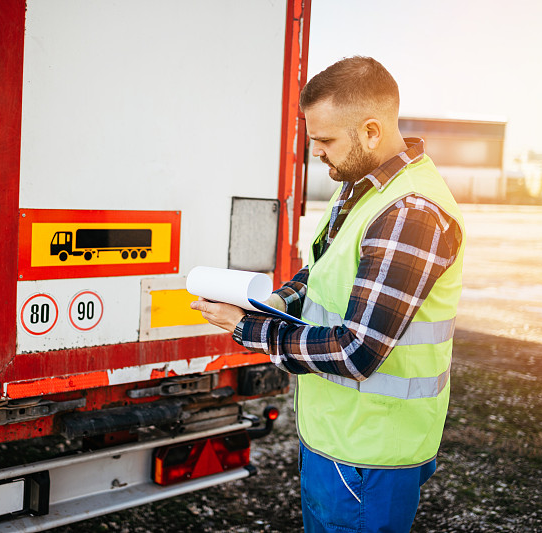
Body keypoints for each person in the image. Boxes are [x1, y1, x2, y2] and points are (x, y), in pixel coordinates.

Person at [191, 56, 465, 532]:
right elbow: (325, 270)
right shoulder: (361, 185)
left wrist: (247, 328)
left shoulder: (410, 212)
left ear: (372, 131)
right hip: (340, 439)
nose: (314, 151)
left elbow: (357, 352)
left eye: (325, 140)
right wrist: (279, 301)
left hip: (370, 456)